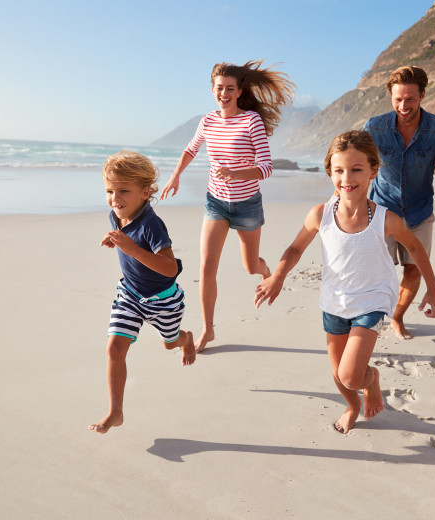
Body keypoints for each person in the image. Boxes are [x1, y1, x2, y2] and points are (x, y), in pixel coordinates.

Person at [254, 131, 435, 434]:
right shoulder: (320, 214)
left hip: (373, 300)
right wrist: (278, 275)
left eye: (356, 169)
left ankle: (371, 379)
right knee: (340, 376)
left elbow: (416, 248)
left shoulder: (386, 219)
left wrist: (432, 289)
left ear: (373, 171)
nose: (347, 178)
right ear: (330, 172)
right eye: (339, 170)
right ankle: (353, 405)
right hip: (334, 301)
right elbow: (295, 248)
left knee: (353, 376)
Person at [160, 60, 295, 352]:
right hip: (216, 203)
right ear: (213, 90)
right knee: (207, 267)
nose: (224, 93)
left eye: (230, 88)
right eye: (219, 88)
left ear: (239, 91)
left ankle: (265, 269)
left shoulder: (251, 121)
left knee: (250, 266)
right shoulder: (208, 121)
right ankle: (208, 329)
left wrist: (236, 173)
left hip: (247, 205)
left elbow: (266, 167)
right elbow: (191, 149)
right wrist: (175, 176)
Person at [90, 151, 196, 434]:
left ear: (145, 193)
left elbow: (170, 268)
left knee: (169, 343)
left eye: (123, 190)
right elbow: (125, 239)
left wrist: (132, 249)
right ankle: (116, 411)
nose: (115, 198)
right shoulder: (116, 215)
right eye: (110, 191)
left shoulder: (152, 224)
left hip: (164, 301)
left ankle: (186, 339)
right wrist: (114, 239)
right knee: (114, 348)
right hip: (130, 296)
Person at [363, 65, 435, 340]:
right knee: (379, 274)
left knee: (414, 271)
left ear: (422, 95)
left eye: (410, 99)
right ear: (390, 96)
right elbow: (356, 164)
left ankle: (396, 318)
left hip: (419, 212)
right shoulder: (374, 127)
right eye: (398, 99)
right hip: (381, 211)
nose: (403, 105)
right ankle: (373, 319)